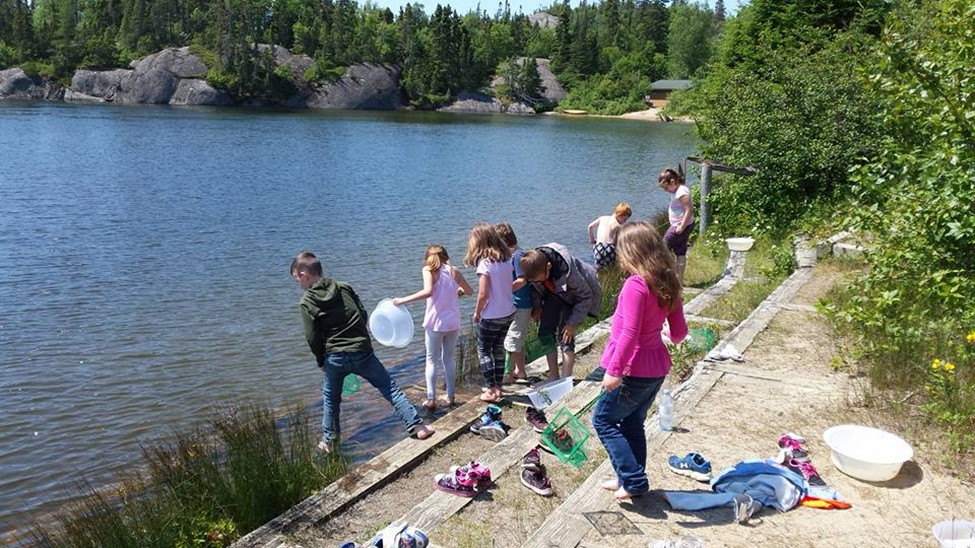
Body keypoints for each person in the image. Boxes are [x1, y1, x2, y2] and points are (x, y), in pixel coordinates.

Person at [290, 251, 434, 453]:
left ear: (304, 274)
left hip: (335, 357)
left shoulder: (306, 302)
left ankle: (330, 441)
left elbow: (312, 336)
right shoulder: (343, 287)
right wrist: (360, 338)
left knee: (331, 399)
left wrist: (320, 360)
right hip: (361, 351)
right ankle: (417, 427)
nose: (299, 284)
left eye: (297, 279)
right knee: (389, 388)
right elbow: (362, 313)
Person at [590, 221, 687, 501]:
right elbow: (679, 333)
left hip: (632, 369)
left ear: (629, 252)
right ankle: (627, 477)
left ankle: (633, 480)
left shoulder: (636, 285)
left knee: (603, 420)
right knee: (633, 422)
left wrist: (614, 371)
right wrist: (663, 330)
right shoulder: (668, 281)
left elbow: (630, 333)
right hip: (656, 366)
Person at [393, 245, 473, 411]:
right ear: (446, 256)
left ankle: (431, 400)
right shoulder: (454, 271)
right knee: (449, 359)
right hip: (452, 323)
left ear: (427, 258)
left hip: (435, 323)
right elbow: (469, 291)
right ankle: (450, 396)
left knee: (431, 360)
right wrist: (457, 292)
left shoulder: (428, 270)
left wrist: (403, 300)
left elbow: (428, 291)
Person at [520, 243, 602, 380]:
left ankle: (566, 378)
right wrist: (537, 308)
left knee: (565, 335)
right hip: (553, 293)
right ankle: (553, 376)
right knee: (544, 332)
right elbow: (535, 290)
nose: (536, 281)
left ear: (548, 267)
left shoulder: (570, 274)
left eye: (539, 279)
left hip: (574, 296)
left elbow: (586, 297)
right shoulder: (533, 268)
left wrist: (572, 323)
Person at [465, 222, 516, 402]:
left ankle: (490, 389)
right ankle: (498, 387)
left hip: (492, 314)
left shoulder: (484, 263)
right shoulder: (506, 260)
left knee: (484, 350)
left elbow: (483, 293)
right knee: (498, 349)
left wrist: (477, 313)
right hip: (508, 312)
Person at [494, 222, 532, 384]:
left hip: (521, 304)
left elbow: (522, 280)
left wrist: (505, 290)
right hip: (515, 305)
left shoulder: (518, 256)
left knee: (511, 340)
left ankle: (507, 375)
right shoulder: (513, 255)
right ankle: (520, 371)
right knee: (517, 339)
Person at [658, 167, 695, 283]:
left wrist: (682, 227)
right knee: (680, 250)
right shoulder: (676, 191)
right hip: (679, 225)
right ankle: (678, 281)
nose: (665, 190)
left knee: (662, 248)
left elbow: (689, 210)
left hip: (679, 227)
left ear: (673, 182)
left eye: (666, 187)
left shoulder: (681, 192)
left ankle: (668, 278)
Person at [587, 202, 632, 270]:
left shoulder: (602, 218)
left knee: (598, 269)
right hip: (609, 248)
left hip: (598, 247)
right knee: (610, 268)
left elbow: (590, 227)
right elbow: (617, 242)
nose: (625, 222)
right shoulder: (618, 226)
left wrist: (592, 240)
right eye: (625, 219)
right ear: (620, 215)